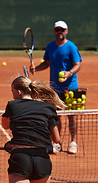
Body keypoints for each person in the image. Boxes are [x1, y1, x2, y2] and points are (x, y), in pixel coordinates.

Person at [2, 76, 65, 183]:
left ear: (18, 92)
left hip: (21, 158)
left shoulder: (12, 105)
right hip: (42, 160)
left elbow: (5, 125)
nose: (12, 94)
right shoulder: (48, 107)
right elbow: (56, 139)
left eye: (12, 91)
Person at [30, 20, 82, 154]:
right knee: (56, 117)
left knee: (72, 116)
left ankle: (73, 142)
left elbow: (78, 64)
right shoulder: (50, 47)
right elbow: (46, 63)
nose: (60, 32)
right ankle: (57, 143)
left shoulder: (71, 47)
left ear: (66, 31)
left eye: (62, 30)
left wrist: (69, 73)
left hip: (70, 88)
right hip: (54, 89)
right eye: (57, 30)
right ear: (54, 31)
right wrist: (36, 68)